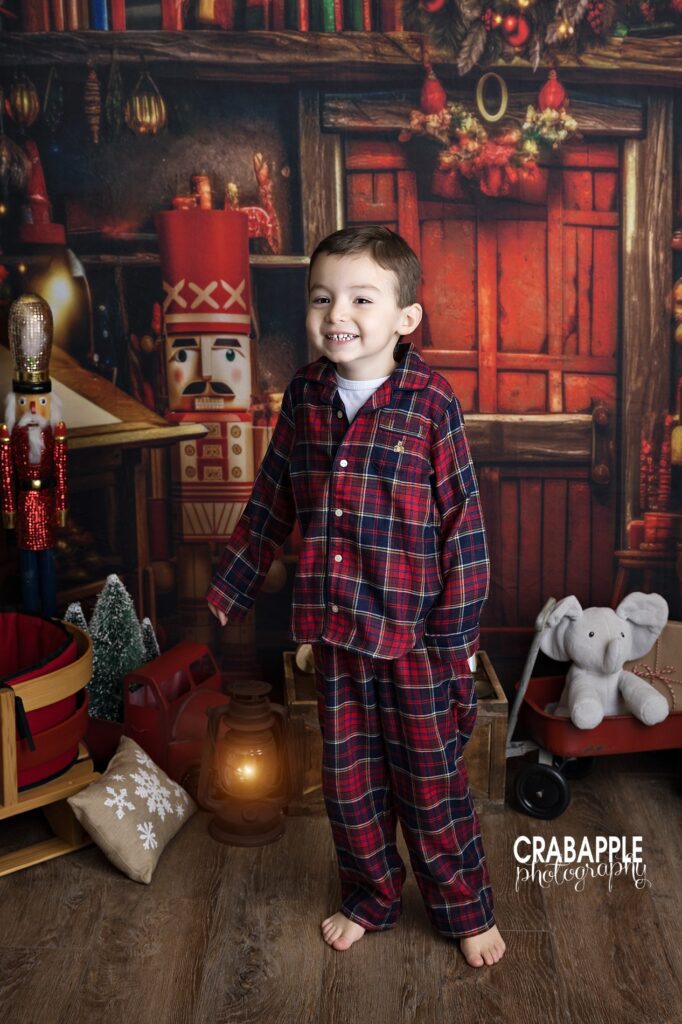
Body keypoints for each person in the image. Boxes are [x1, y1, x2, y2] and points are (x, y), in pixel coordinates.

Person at [206, 225, 506, 968]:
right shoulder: (305, 396)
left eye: (361, 298)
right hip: (336, 632)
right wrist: (232, 585)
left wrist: (457, 640)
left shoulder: (430, 405)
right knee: (348, 784)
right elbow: (272, 497)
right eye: (322, 297)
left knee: (431, 782)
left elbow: (464, 530)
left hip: (415, 637)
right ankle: (370, 895)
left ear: (406, 318)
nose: (337, 312)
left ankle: (464, 907)